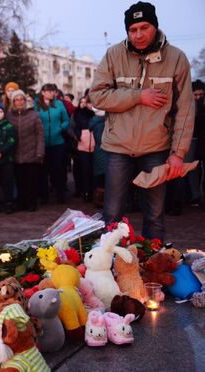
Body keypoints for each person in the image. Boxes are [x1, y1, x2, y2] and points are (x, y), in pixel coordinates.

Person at [89, 1, 194, 240]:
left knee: (155, 215)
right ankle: (111, 267)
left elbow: (185, 109)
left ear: (155, 26)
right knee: (112, 213)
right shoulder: (114, 54)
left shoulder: (177, 58)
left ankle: (153, 266)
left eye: (144, 27)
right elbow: (97, 96)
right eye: (132, 29)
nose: (138, 35)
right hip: (118, 147)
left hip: (156, 147)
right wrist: (138, 96)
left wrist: (178, 152)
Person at [6, 90, 44, 212]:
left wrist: (40, 151)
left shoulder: (34, 115)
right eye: (16, 99)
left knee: (31, 180)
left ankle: (31, 202)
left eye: (21, 99)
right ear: (13, 102)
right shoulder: (9, 116)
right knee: (19, 180)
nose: (19, 102)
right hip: (16, 153)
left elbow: (40, 134)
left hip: (31, 152)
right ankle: (21, 202)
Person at [35, 83, 70, 204]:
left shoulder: (59, 104)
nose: (51, 93)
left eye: (53, 91)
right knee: (43, 171)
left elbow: (66, 120)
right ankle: (44, 197)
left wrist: (61, 128)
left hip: (58, 142)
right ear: (43, 92)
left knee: (59, 170)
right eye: (48, 91)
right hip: (42, 143)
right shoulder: (37, 105)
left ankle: (61, 196)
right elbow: (34, 120)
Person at [72, 97, 95, 202]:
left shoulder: (96, 114)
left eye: (88, 103)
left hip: (95, 146)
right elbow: (74, 127)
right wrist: (78, 135)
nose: (86, 105)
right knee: (85, 170)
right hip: (83, 145)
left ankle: (93, 191)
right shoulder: (78, 113)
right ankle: (86, 192)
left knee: (93, 170)